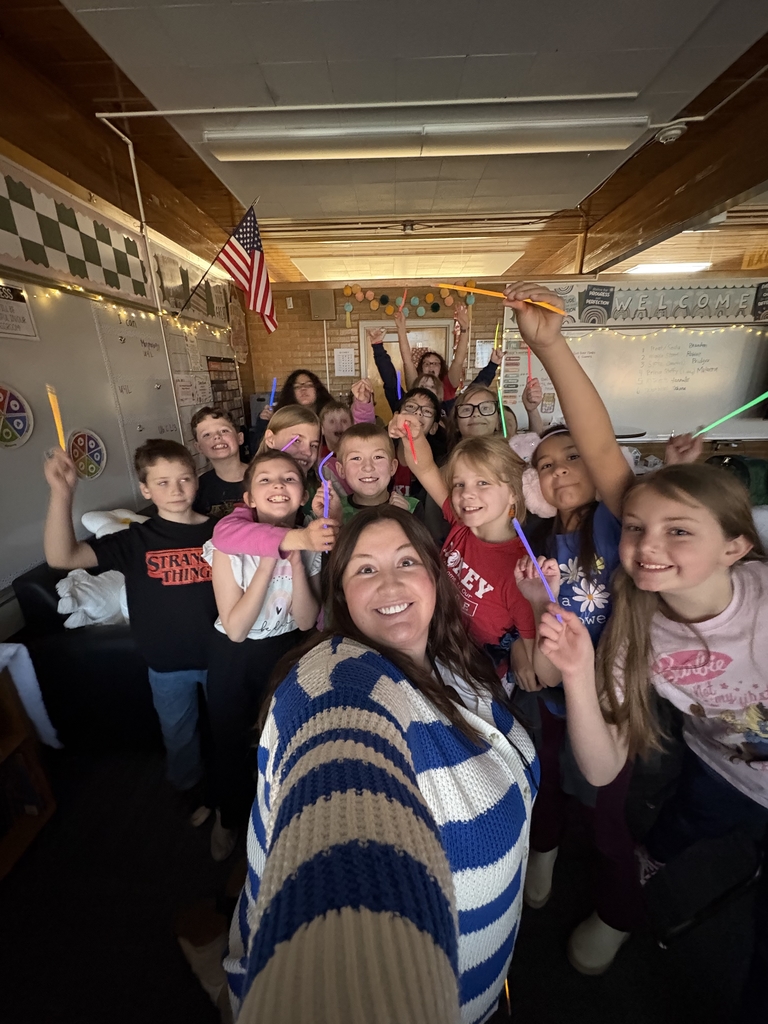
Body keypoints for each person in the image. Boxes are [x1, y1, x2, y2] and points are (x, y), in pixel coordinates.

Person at [225, 505, 540, 1024]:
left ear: (435, 576)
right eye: (365, 569)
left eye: (407, 563)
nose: (391, 584)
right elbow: (342, 769)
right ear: (341, 593)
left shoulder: (458, 667)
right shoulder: (335, 678)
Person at [537, 463, 768, 1019]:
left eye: (679, 530)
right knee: (683, 823)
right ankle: (652, 861)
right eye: (635, 528)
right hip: (721, 769)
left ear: (735, 546)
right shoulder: (636, 631)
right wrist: (576, 671)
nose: (647, 545)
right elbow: (600, 767)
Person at [503, 281, 638, 975]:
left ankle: (617, 912)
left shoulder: (619, 525)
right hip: (554, 696)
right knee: (545, 784)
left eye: (569, 459)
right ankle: (544, 854)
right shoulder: (538, 545)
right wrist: (532, 606)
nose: (558, 472)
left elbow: (605, 446)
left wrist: (549, 345)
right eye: (545, 467)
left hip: (620, 703)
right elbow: (536, 662)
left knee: (611, 819)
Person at [43, 440, 216, 822]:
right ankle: (189, 791)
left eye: (184, 479)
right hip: (167, 662)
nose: (176, 490)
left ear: (196, 481)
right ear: (146, 489)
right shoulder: (134, 540)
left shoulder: (222, 532)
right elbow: (62, 557)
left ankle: (232, 790)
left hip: (223, 655)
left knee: (229, 726)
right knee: (178, 733)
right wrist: (62, 493)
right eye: (163, 482)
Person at [202, 449, 322, 860]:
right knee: (232, 740)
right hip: (234, 657)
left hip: (285, 651)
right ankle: (229, 816)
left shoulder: (309, 538)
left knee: (281, 739)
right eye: (266, 480)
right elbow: (236, 629)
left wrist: (298, 556)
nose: (277, 486)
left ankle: (277, 818)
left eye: (288, 479)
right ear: (249, 497)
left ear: (303, 493)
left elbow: (306, 620)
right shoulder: (228, 542)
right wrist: (272, 558)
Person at [388, 414, 557, 692]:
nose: (467, 494)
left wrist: (537, 612)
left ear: (515, 492)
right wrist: (413, 437)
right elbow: (426, 469)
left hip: (479, 677)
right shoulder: (461, 522)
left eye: (483, 483)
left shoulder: (521, 572)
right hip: (438, 648)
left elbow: (546, 674)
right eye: (459, 484)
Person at [335, 422, 422, 521]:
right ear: (341, 470)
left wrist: (404, 519)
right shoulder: (333, 511)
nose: (368, 467)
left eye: (378, 457)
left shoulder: (411, 508)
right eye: (356, 458)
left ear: (392, 467)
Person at [446, 378, 544, 460]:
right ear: (456, 423)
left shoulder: (511, 456)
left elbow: (537, 446)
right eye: (466, 409)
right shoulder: (446, 470)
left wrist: (532, 410)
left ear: (498, 421)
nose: (476, 414)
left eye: (485, 408)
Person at [257, 405, 322, 515]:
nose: (308, 452)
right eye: (296, 441)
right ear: (270, 439)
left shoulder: (320, 490)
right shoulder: (256, 486)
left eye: (313, 445)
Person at [191, 406, 249, 519]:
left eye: (224, 431)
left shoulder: (264, 477)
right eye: (207, 435)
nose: (217, 437)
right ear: (199, 447)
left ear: (240, 438)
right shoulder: (197, 489)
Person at [252, 369, 332, 447]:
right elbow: (258, 449)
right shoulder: (277, 415)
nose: (303, 389)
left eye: (308, 385)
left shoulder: (330, 414)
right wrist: (265, 423)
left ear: (317, 389)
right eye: (297, 387)